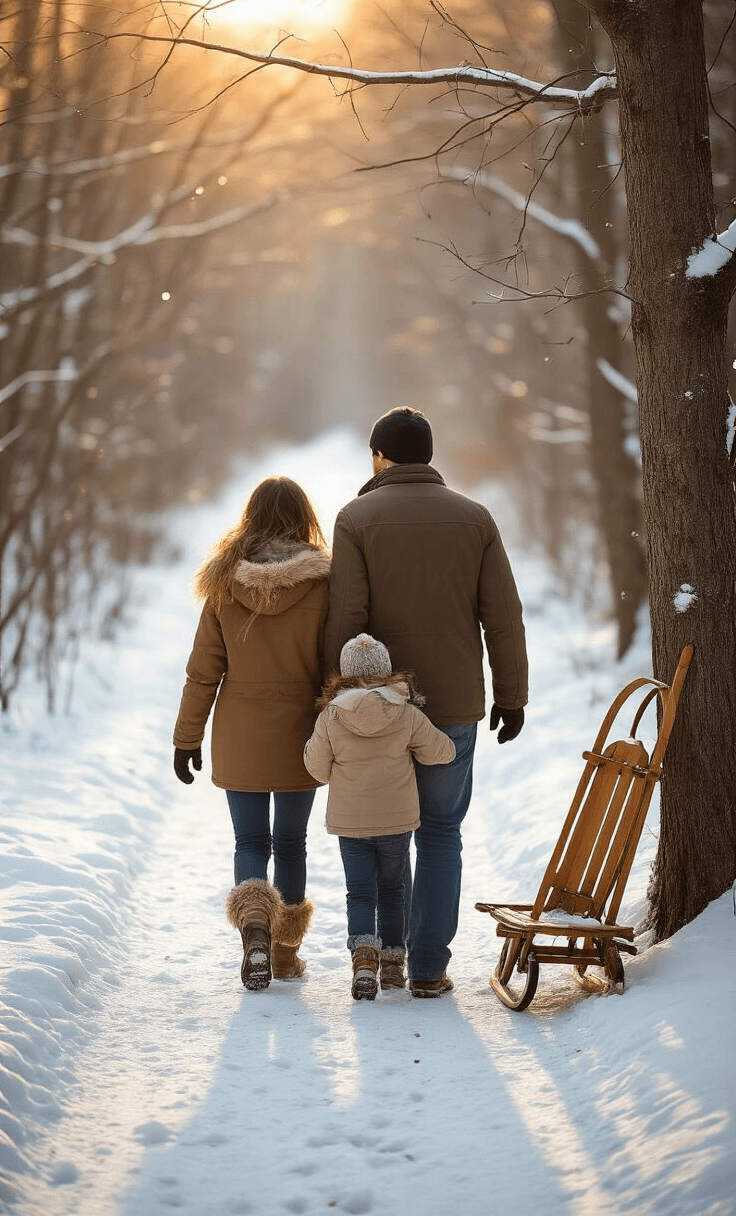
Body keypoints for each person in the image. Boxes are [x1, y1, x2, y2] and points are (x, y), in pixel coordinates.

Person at [324, 405, 528, 998]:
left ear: (379, 457)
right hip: (455, 704)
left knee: (386, 830)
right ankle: (429, 969)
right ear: (430, 456)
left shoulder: (356, 518)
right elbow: (503, 616)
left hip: (379, 706)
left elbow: (348, 617)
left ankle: (384, 949)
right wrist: (511, 694)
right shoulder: (475, 518)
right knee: (441, 832)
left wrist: (335, 699)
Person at [173, 476, 330, 991]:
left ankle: (254, 932)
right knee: (290, 842)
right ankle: (284, 957)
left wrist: (186, 738)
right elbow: (334, 668)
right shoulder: (324, 584)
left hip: (239, 731)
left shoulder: (224, 583)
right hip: (300, 735)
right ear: (302, 518)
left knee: (249, 840)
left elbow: (203, 671)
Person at [304, 633, 455, 1000]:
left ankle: (364, 964)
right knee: (393, 891)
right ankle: (392, 965)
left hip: (351, 824)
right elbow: (444, 752)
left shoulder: (331, 716)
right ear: (386, 671)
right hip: (396, 823)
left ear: (345, 674)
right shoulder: (406, 713)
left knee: (359, 893)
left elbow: (316, 770)